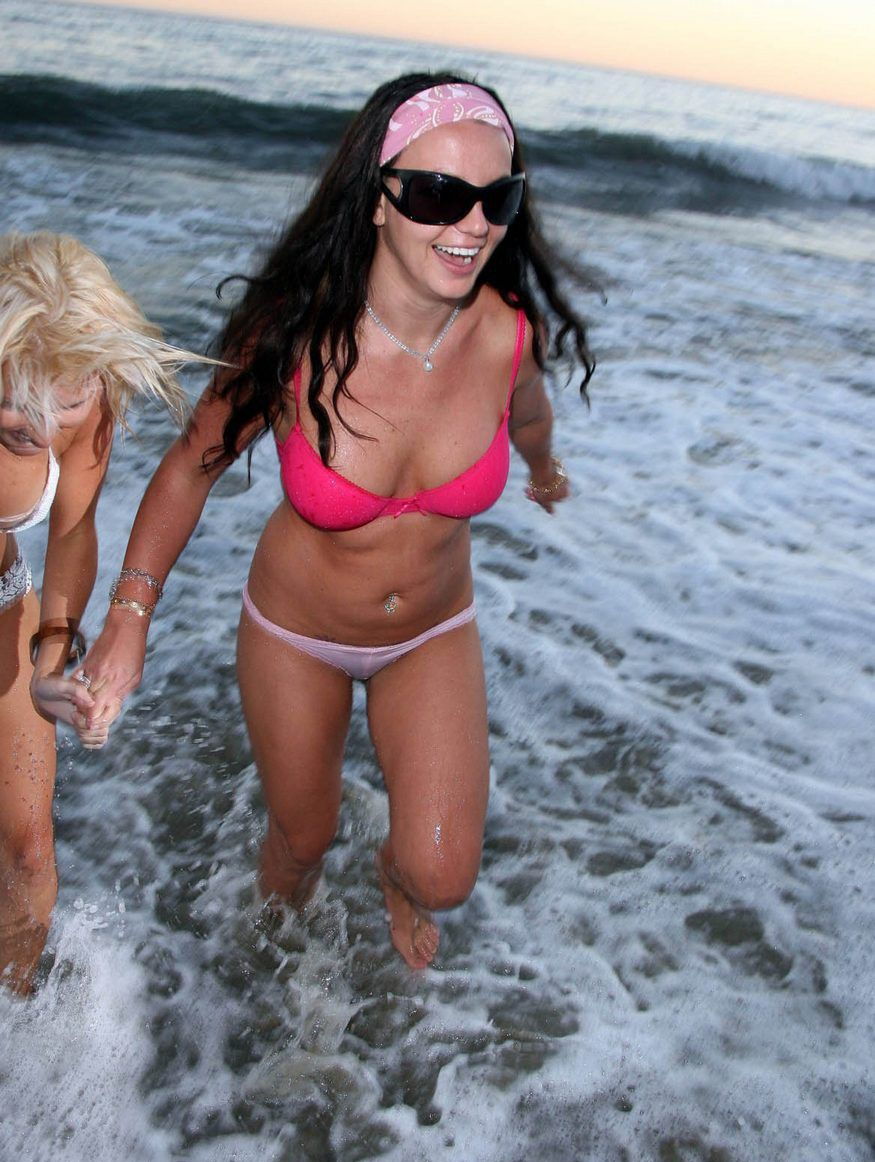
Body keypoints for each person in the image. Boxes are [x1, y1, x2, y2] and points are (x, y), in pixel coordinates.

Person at [81, 72, 594, 970]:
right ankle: (259, 986)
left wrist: (543, 469)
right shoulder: (294, 332)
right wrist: (130, 615)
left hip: (431, 631)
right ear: (379, 201)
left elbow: (529, 417)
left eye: (497, 198)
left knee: (441, 876)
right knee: (301, 842)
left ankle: (394, 875)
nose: (472, 224)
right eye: (437, 194)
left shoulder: (508, 334)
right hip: (298, 633)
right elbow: (192, 464)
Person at [0, 231, 203, 994]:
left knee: (28, 858)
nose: (48, 431)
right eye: (19, 420)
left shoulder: (83, 396)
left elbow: (72, 531)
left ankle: (12, 1027)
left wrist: (51, 663)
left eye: (70, 404)